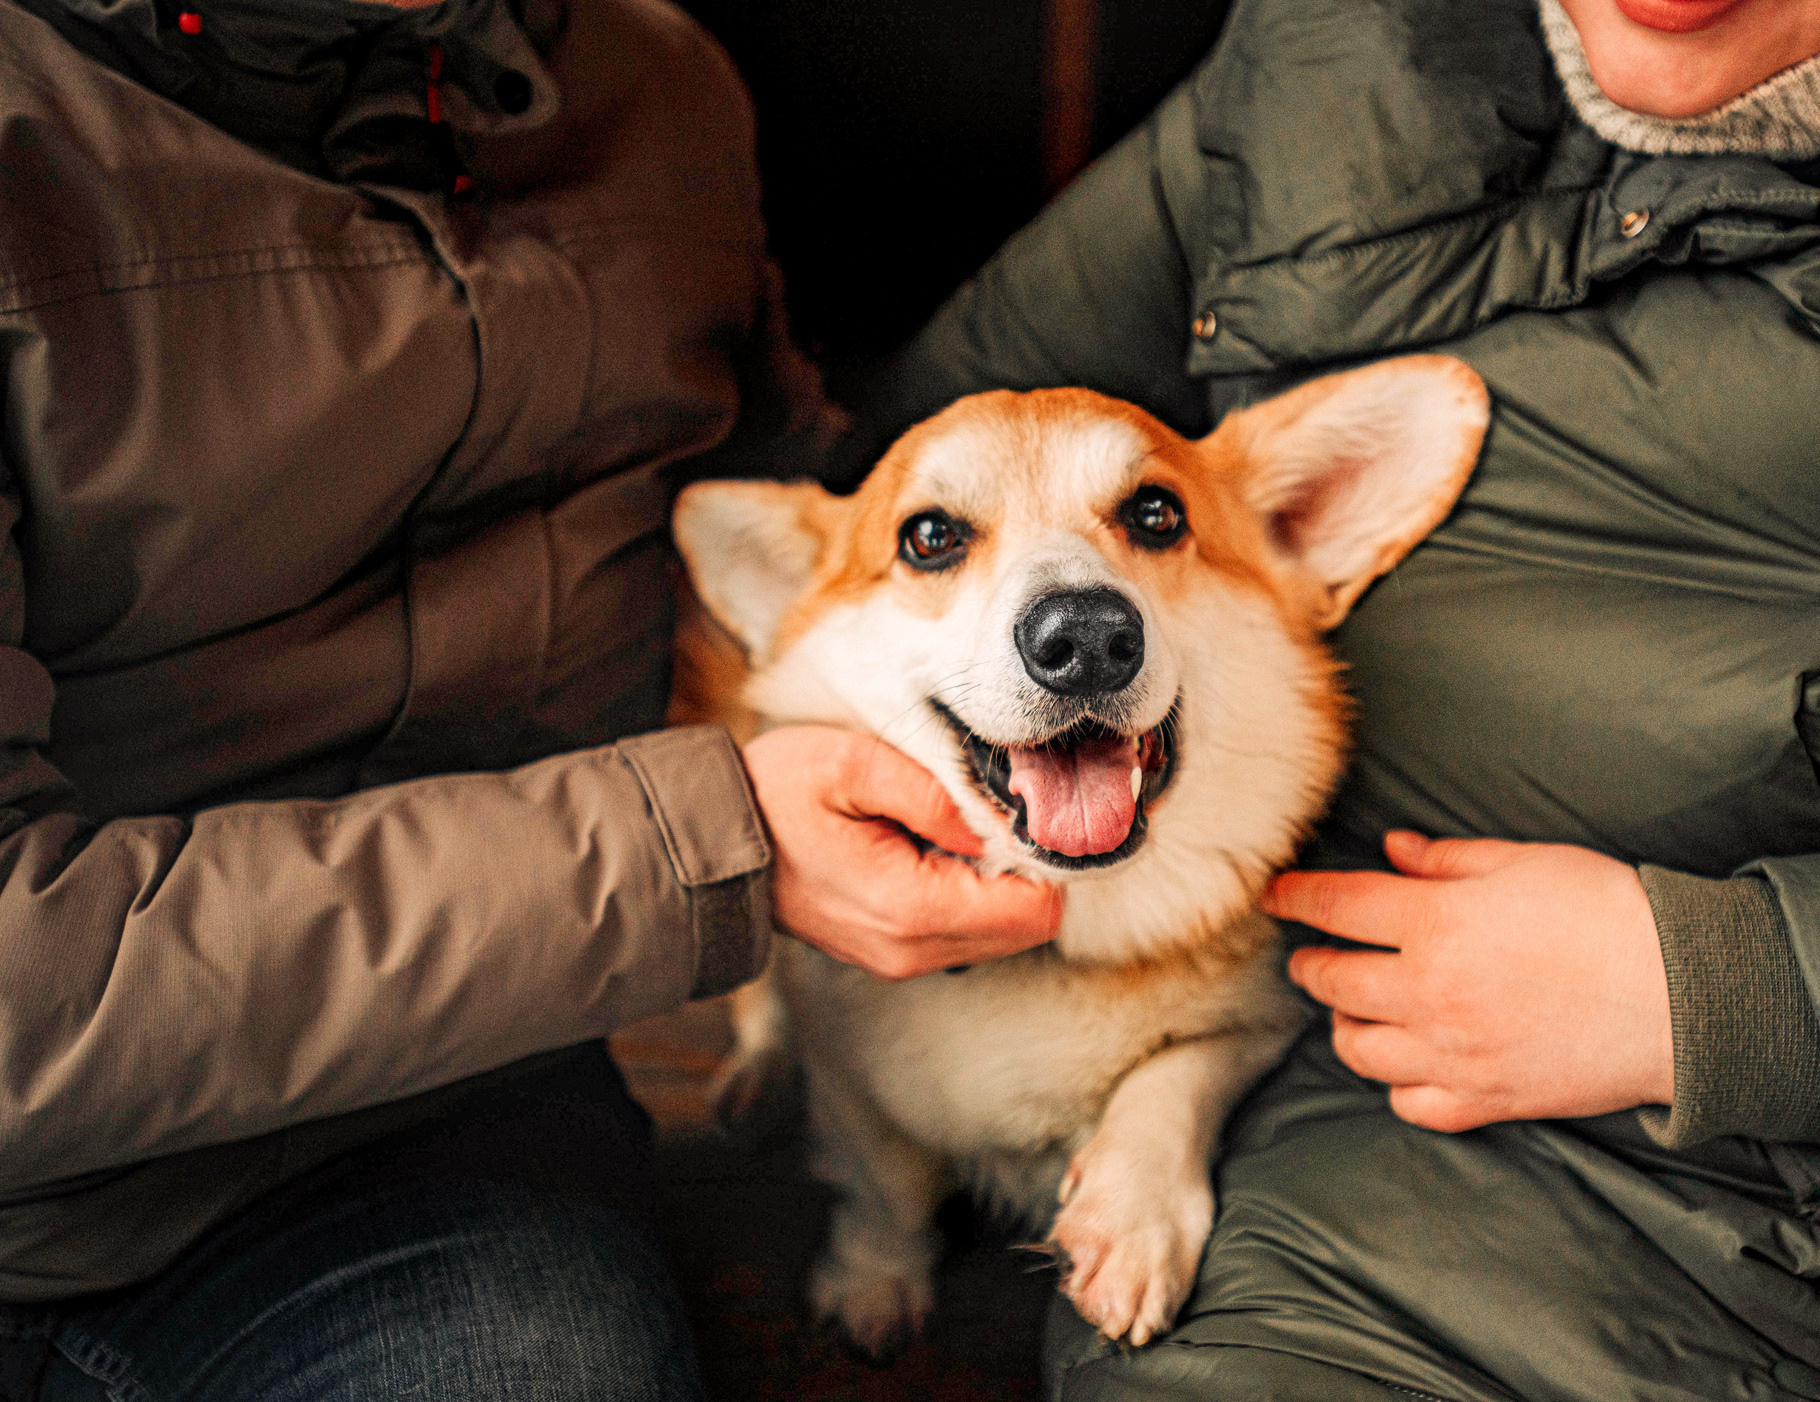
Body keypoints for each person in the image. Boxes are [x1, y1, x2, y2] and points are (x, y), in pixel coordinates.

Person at [841, 0, 1820, 1396]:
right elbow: (856, 505)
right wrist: (765, 801)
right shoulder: (1340, 62)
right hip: (1402, 1170)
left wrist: (1730, 994)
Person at [0, 0, 1060, 1396]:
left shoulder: (654, 82)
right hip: (47, 1204)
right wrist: (704, 844)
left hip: (445, 1122)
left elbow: (799, 525)